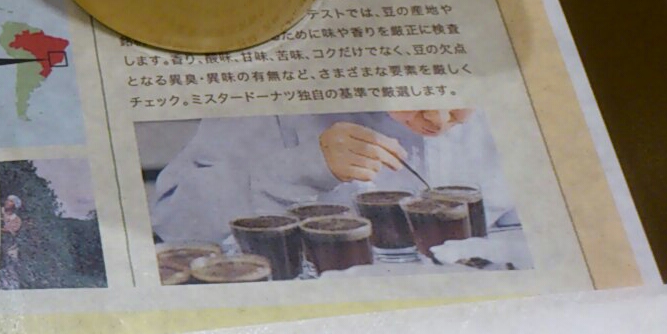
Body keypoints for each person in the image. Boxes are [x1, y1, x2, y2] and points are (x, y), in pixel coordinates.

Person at [149, 109, 517, 243]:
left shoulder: (512, 111)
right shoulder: (269, 103)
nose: (437, 119)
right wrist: (300, 168)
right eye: (415, 91)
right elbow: (175, 224)